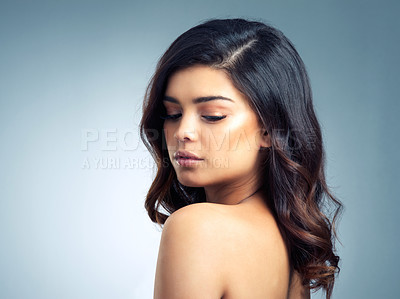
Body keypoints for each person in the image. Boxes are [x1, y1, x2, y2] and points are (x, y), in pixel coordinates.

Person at [140, 18, 342, 299]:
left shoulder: (197, 228)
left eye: (212, 116)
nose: (182, 132)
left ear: (269, 129)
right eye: (172, 114)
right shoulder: (290, 242)